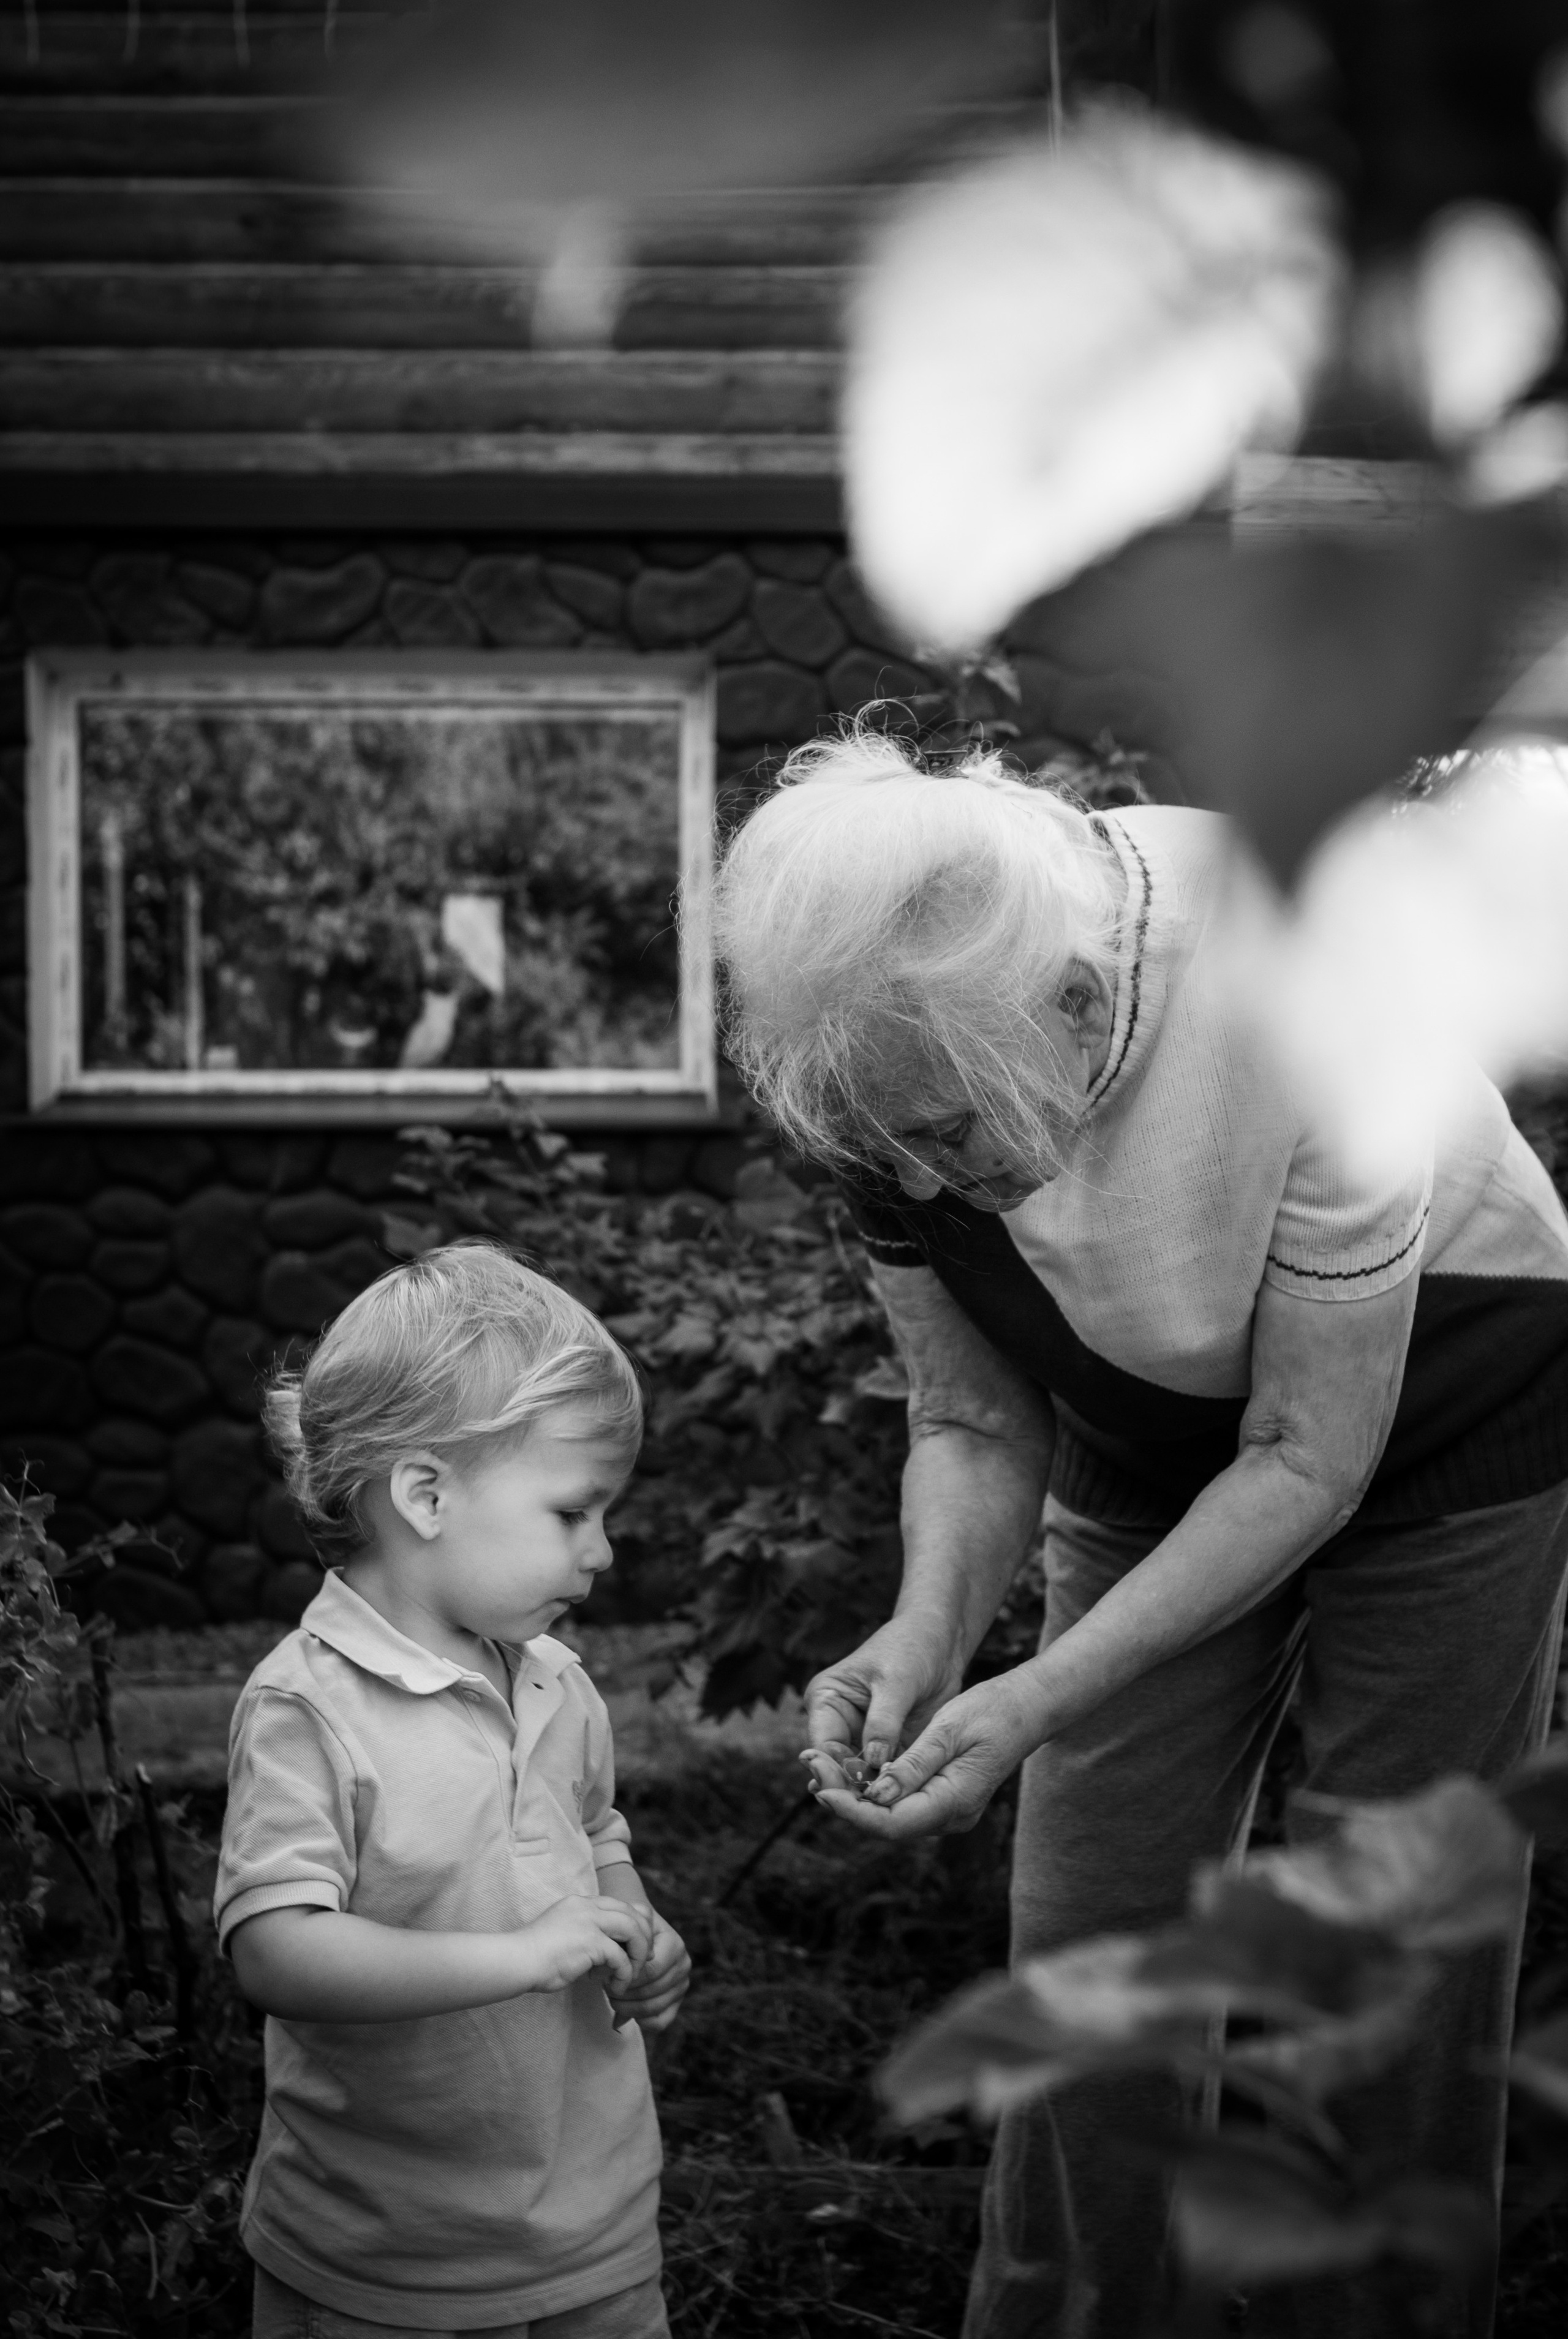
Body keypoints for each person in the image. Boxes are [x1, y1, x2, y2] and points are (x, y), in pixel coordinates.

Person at [709, 723, 1568, 2339]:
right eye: (888, 1150)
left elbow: (1306, 1456)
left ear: (1077, 1004)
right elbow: (972, 1421)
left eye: (948, 1139)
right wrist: (929, 1639)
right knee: (1089, 1919)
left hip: (1454, 1399)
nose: (920, 1185)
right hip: (1148, 1418)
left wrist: (1035, 1694)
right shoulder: (881, 1055)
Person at [216, 1242, 689, 2339]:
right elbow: (275, 1952)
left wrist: (633, 1925)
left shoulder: (557, 1680)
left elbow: (592, 1829)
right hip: (388, 2259)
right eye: (573, 1513)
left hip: (596, 2232)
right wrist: (524, 1957)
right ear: (426, 1495)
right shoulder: (307, 1709)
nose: (604, 1553)